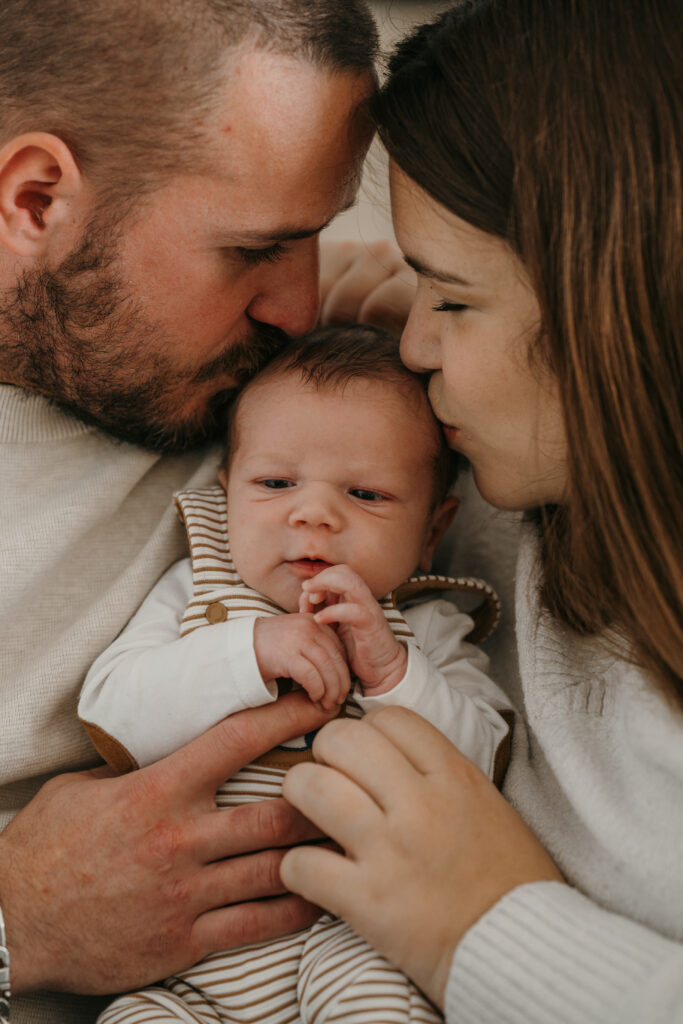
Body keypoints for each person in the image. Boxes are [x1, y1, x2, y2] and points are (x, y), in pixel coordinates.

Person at [0, 2, 414, 1022]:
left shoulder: (313, 401)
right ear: (36, 198)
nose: (299, 305)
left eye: (316, 236)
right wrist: (18, 922)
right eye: (254, 250)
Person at [277, 2, 683, 1023]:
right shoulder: (511, 489)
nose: (414, 346)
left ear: (620, 305)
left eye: (451, 300)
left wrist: (486, 929)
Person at [79, 323, 512, 1024]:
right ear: (227, 497)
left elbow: (483, 769)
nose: (312, 513)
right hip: (183, 957)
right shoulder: (200, 594)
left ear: (432, 530)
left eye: (367, 495)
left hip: (350, 936)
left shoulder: (421, 623)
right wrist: (245, 652)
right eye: (275, 483)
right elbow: (111, 716)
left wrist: (394, 674)